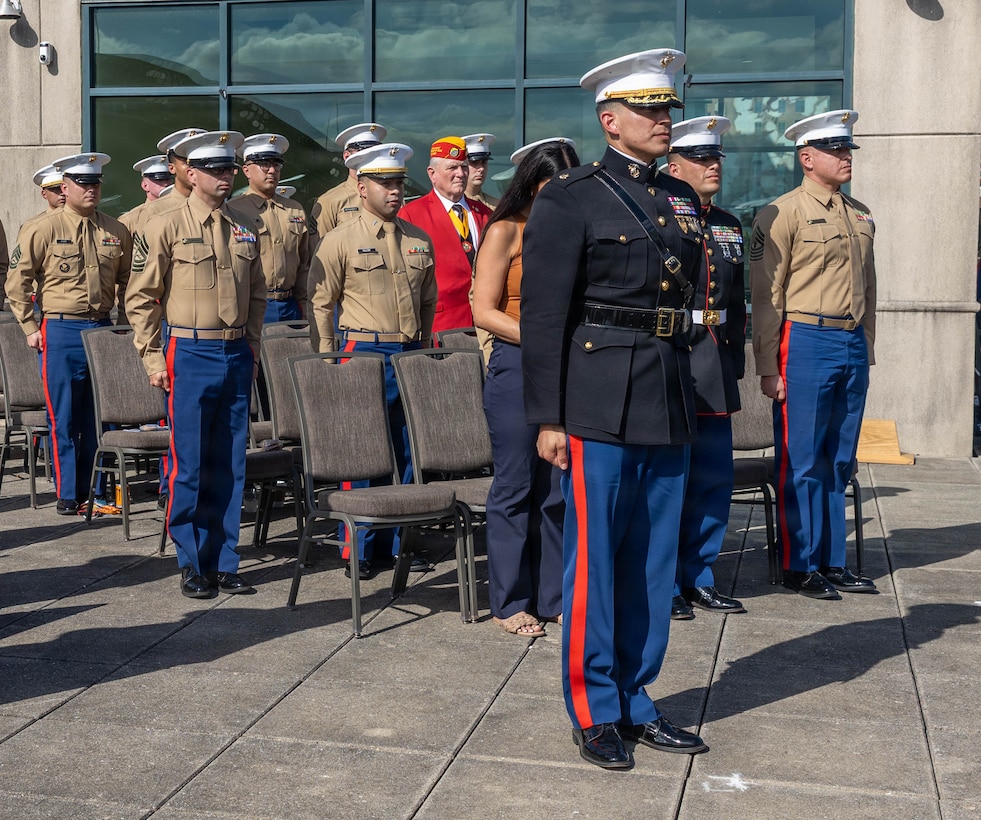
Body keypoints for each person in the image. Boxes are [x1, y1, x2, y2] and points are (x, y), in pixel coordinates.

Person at [521, 49, 709, 770]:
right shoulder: (570, 196)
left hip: (665, 388)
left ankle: (636, 697)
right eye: (649, 109)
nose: (664, 120)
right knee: (596, 563)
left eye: (666, 108)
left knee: (652, 562)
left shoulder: (675, 199)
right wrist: (547, 416)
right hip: (597, 396)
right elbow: (543, 317)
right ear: (609, 119)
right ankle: (594, 707)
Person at [126, 130, 266, 599]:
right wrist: (150, 356)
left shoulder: (246, 225)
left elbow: (259, 293)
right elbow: (141, 298)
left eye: (229, 168)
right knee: (189, 464)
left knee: (230, 463)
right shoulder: (164, 224)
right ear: (190, 173)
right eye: (215, 169)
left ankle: (225, 561)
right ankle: (191, 561)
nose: (225, 176)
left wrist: (252, 345)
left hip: (233, 352)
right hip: (189, 351)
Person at [750, 109, 877, 599]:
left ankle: (832, 560)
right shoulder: (780, 213)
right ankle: (798, 564)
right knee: (800, 458)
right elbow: (767, 296)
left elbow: (869, 287)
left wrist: (866, 349)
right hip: (804, 340)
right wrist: (767, 367)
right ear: (806, 157)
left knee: (839, 458)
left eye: (847, 149)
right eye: (835, 149)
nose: (846, 157)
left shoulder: (860, 213)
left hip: (848, 342)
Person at [308, 142, 437, 579]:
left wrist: (420, 346)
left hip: (406, 351)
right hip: (362, 349)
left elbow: (428, 302)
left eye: (399, 182)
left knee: (404, 449)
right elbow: (321, 303)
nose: (394, 190)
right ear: (361, 187)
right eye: (384, 183)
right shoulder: (340, 239)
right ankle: (358, 547)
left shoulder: (418, 238)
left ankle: (397, 541)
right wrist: (328, 361)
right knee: (362, 452)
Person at [471, 137, 578, 637]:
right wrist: (539, 336)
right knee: (515, 483)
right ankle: (510, 600)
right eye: (552, 183)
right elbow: (484, 310)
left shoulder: (574, 232)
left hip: (565, 366)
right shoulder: (506, 231)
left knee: (556, 484)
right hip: (516, 362)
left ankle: (553, 596)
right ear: (532, 183)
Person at [5, 153, 132, 515]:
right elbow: (17, 283)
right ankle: (67, 492)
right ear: (65, 187)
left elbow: (129, 281)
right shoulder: (43, 228)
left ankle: (97, 489)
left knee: (100, 416)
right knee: (64, 416)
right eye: (83, 184)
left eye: (95, 184)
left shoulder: (114, 229)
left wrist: (123, 325)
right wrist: (30, 326)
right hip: (61, 328)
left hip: (102, 328)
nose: (91, 190)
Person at [661, 116, 747, 619]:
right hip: (673, 352)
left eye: (716, 157)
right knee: (672, 480)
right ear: (674, 166)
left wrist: (733, 360)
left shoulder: (729, 224)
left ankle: (700, 576)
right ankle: (666, 581)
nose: (713, 165)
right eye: (700, 158)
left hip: (714, 356)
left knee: (714, 477)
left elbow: (733, 299)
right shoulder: (662, 216)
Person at [400, 137, 493, 336]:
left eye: (464, 167)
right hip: (439, 327)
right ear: (432, 174)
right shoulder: (411, 215)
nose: (461, 174)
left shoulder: (485, 214)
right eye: (452, 168)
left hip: (484, 327)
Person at [234, 133, 310, 323]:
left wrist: (306, 305)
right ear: (246, 170)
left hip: (290, 304)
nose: (272, 171)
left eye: (276, 164)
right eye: (264, 164)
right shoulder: (233, 210)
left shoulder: (294, 209)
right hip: (252, 304)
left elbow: (304, 264)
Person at [310, 122, 387, 242]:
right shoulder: (330, 201)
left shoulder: (391, 196)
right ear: (347, 156)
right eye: (364, 152)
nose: (371, 158)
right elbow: (321, 252)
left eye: (375, 153)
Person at [118, 155, 175, 236]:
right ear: (145, 186)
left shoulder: (180, 212)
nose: (166, 184)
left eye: (168, 179)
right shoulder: (130, 220)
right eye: (159, 180)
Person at [463, 133, 500, 209]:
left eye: (484, 162)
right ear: (463, 166)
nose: (481, 168)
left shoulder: (497, 206)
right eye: (474, 163)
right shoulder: (454, 204)